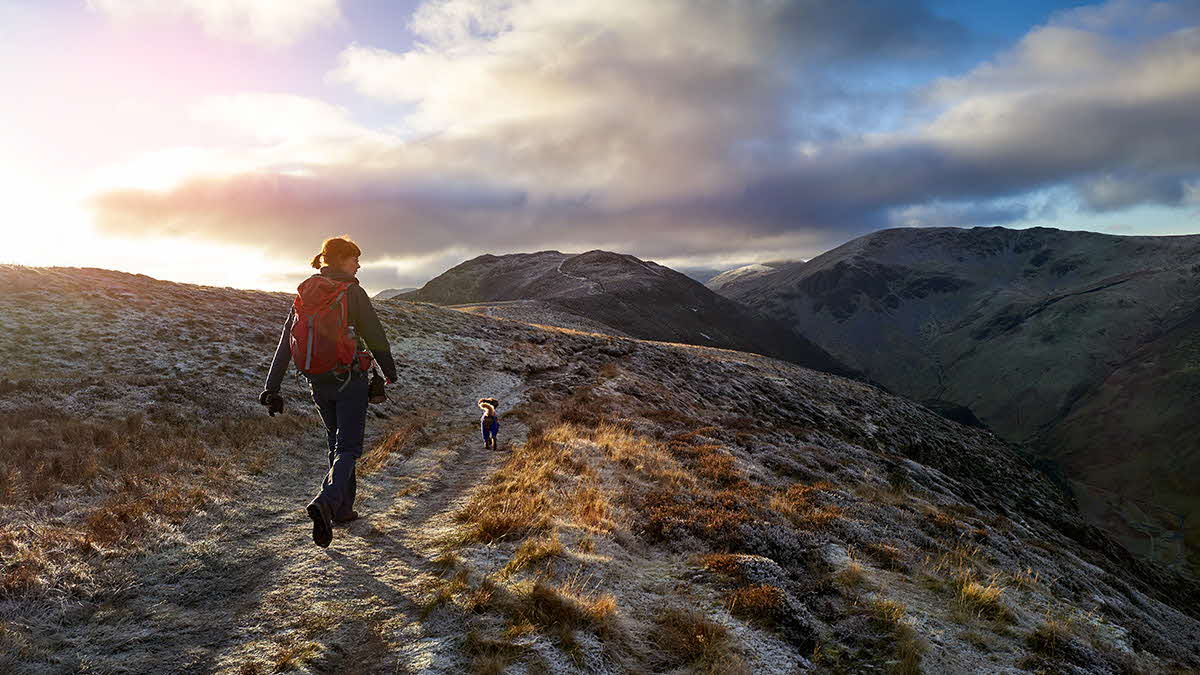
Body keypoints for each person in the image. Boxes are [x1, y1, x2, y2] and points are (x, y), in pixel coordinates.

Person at [259, 235, 398, 548]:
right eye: (354, 260)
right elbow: (375, 334)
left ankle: (343, 510)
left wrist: (272, 386)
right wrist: (389, 373)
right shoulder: (352, 292)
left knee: (335, 443)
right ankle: (326, 500)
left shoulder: (306, 293)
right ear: (339, 260)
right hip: (349, 380)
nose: (359, 265)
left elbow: (286, 342)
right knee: (349, 448)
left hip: (317, 381)